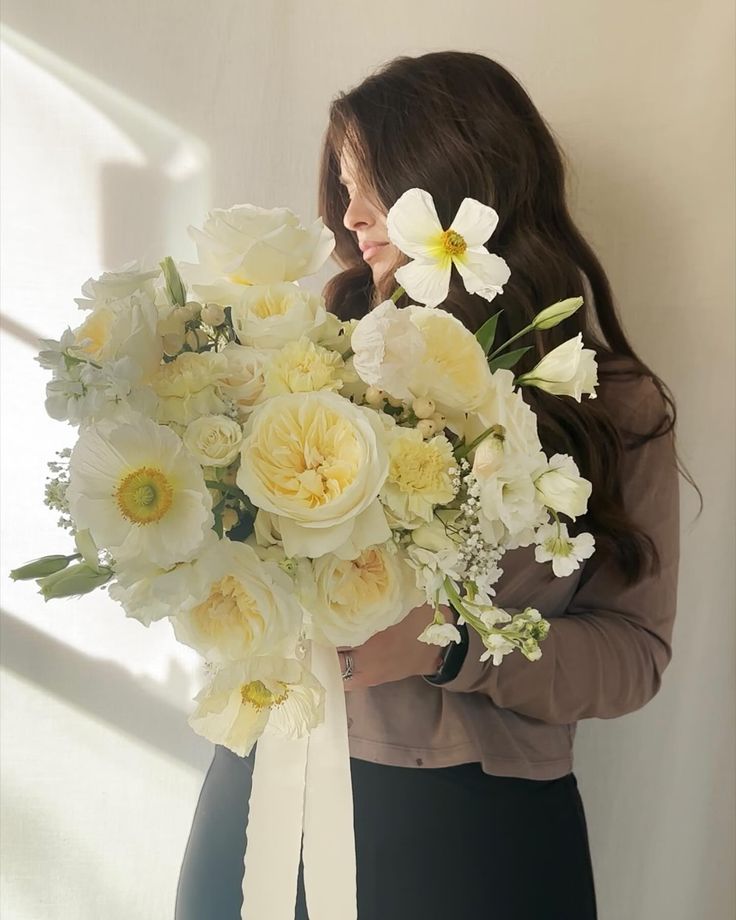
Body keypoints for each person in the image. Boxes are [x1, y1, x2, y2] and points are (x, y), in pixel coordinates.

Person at [176, 51, 687, 920]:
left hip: (473, 833)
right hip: (267, 791)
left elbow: (633, 657)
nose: (351, 217)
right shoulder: (300, 360)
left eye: (374, 184)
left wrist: (449, 646)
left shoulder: (604, 401)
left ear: (459, 179)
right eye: (343, 185)